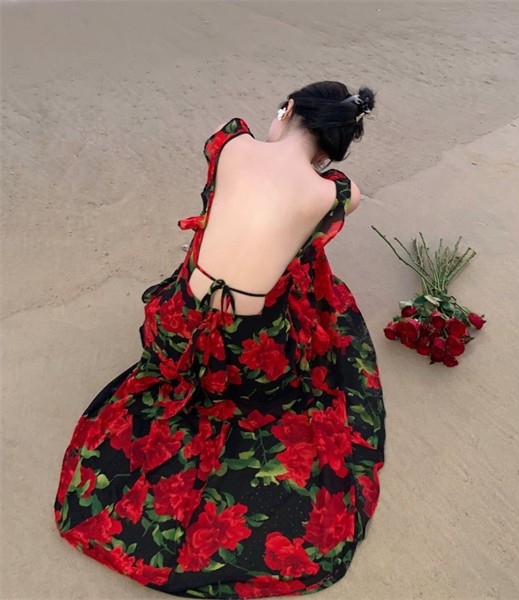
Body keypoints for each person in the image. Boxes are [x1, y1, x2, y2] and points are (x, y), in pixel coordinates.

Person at [54, 80, 386, 599]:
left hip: (177, 331)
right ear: (332, 149)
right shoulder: (338, 194)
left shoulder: (229, 142)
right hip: (250, 359)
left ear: (288, 109)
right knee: (317, 291)